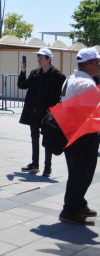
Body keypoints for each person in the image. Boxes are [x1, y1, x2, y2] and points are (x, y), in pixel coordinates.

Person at [59, 47, 100, 225]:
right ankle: (70, 210)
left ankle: (79, 203)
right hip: (84, 135)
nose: (99, 65)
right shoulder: (87, 84)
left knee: (76, 171)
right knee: (82, 173)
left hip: (70, 132)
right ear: (90, 64)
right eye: (97, 62)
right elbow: (90, 113)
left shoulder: (71, 79)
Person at [17, 48, 66, 176]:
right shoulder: (34, 73)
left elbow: (63, 95)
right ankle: (35, 164)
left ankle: (47, 168)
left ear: (49, 59)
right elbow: (22, 85)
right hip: (34, 111)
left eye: (41, 57)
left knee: (48, 139)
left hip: (48, 114)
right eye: (38, 57)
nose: (39, 60)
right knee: (34, 137)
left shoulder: (58, 76)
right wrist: (23, 71)